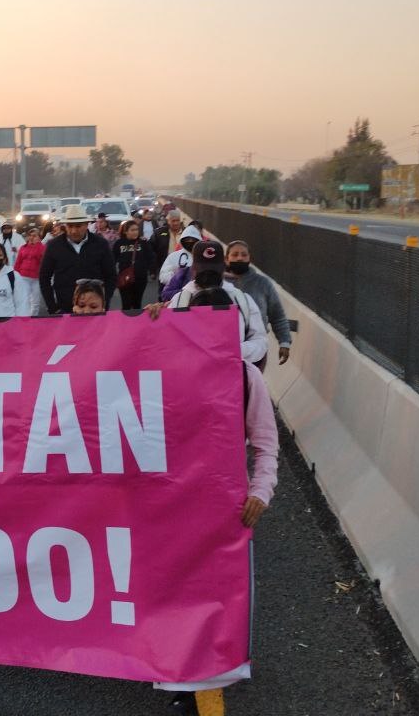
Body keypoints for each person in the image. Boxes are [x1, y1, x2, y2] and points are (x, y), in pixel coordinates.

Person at [148, 285, 277, 702]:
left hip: (224, 511)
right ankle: (178, 674)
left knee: (219, 596)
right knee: (169, 590)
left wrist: (261, 490)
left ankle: (211, 670)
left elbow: (266, 442)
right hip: (169, 507)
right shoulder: (161, 367)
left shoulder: (245, 376)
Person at [146, 240, 267, 364]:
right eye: (203, 269)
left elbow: (260, 341)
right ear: (193, 269)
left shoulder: (242, 300)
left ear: (224, 268)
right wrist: (151, 319)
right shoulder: (179, 301)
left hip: (231, 377)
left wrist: (235, 351)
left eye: (213, 270)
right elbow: (164, 343)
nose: (208, 275)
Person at [225, 240, 292, 370]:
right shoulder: (218, 283)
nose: (240, 258)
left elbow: (277, 315)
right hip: (226, 350)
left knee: (252, 388)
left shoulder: (263, 283)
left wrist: (284, 342)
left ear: (249, 258)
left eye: (244, 255)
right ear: (227, 259)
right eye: (235, 254)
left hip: (256, 351)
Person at [38, 204, 117, 315]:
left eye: (78, 226)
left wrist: (104, 301)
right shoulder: (53, 246)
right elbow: (44, 277)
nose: (74, 231)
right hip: (64, 308)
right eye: (70, 226)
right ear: (65, 226)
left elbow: (111, 275)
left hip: (94, 309)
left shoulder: (101, 244)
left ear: (87, 224)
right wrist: (52, 307)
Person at [112, 220, 153, 311]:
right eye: (132, 230)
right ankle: (126, 324)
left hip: (140, 278)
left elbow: (151, 257)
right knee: (126, 304)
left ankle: (136, 324)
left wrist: (151, 271)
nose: (135, 232)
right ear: (125, 231)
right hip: (124, 278)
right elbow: (112, 260)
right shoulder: (119, 243)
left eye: (137, 229)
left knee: (137, 304)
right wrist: (112, 276)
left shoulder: (143, 243)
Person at [158, 222, 203, 297]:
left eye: (193, 240)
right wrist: (178, 280)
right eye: (187, 240)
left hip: (199, 295)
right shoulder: (174, 256)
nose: (190, 242)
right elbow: (163, 276)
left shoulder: (204, 256)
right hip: (177, 295)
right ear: (182, 240)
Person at [13, 225, 46, 315]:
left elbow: (42, 261)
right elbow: (18, 262)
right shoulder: (23, 248)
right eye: (30, 235)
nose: (32, 237)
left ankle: (33, 317)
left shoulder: (42, 248)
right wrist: (15, 274)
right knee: (25, 299)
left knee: (35, 300)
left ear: (39, 237)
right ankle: (25, 316)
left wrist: (37, 245)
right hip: (24, 276)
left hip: (36, 277)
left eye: (35, 235)